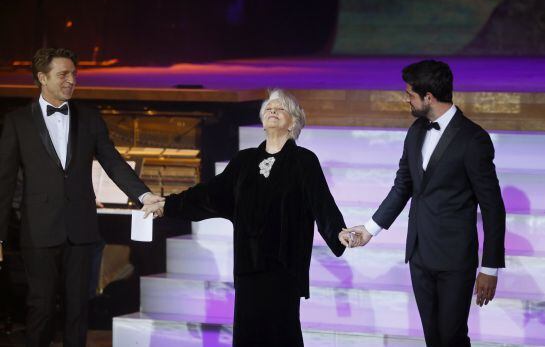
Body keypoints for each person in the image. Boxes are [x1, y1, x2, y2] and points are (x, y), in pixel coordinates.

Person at [143, 89, 346, 347]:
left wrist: (337, 231)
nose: (272, 111)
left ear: (293, 122)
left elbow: (322, 203)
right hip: (249, 268)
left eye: (280, 108)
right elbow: (208, 195)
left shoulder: (304, 161)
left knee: (282, 336)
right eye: (269, 108)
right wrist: (168, 204)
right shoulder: (244, 161)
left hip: (283, 269)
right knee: (248, 337)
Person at [0, 48, 163, 347]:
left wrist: (143, 195)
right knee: (42, 308)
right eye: (63, 74)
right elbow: (4, 183)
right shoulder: (17, 122)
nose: (71, 80)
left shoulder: (89, 118)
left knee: (78, 309)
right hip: (38, 230)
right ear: (42, 78)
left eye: (74, 74)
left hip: (81, 229)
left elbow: (112, 161)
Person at [339, 60, 506, 346]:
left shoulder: (473, 139)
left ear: (428, 97)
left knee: (452, 337)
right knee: (433, 338)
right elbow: (403, 185)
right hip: (419, 254)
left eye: (410, 94)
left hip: (454, 259)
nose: (406, 99)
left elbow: (493, 207)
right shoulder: (416, 130)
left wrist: (489, 267)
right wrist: (369, 229)